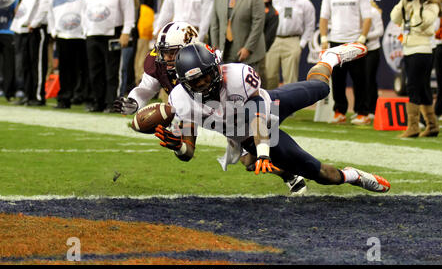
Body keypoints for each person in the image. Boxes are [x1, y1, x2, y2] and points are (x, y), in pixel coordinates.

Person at [154, 42, 390, 194]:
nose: (204, 84)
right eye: (196, 82)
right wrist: (178, 147)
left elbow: (257, 114)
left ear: (216, 67)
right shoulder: (181, 101)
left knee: (321, 89)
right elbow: (188, 153)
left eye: (206, 76)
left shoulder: (237, 75)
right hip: (247, 136)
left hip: (270, 106)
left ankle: (328, 58)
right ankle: (352, 176)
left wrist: (264, 152)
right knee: (321, 174)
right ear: (184, 83)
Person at [390, 0, 442, 137]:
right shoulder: (408, 3)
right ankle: (432, 126)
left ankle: (413, 126)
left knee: (412, 86)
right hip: (409, 49)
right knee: (424, 87)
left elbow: (419, 24)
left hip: (422, 50)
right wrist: (403, 1)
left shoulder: (431, 6)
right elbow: (395, 18)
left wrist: (417, 3)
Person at [113, 21, 200, 115]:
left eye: (172, 52)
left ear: (189, 50)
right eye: (164, 52)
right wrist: (134, 102)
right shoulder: (157, 62)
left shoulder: (205, 64)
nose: (166, 58)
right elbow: (146, 88)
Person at [319, 0, 372, 125]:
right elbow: (323, 18)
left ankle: (362, 113)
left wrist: (362, 37)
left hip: (355, 42)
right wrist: (324, 38)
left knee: (360, 79)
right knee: (337, 80)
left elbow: (367, 17)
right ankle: (339, 112)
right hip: (336, 42)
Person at [83, 0, 136, 113]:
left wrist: (126, 32)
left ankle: (114, 103)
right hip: (93, 33)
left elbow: (129, 10)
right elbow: (84, 10)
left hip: (113, 33)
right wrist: (85, 30)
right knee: (95, 70)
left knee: (113, 70)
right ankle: (98, 102)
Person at [265, 0, 315, 89]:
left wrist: (300, 45)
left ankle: (288, 106)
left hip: (293, 41)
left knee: (290, 79)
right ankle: (272, 106)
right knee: (269, 76)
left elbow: (310, 27)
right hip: (273, 40)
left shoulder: (305, 3)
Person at [10, 0, 53, 106]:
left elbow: (44, 7)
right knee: (26, 63)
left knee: (37, 64)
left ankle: (39, 96)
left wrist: (34, 23)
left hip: (37, 28)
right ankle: (28, 94)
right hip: (25, 28)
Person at [209, 0, 266, 73]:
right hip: (225, 51)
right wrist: (215, 47)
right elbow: (214, 23)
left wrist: (248, 48)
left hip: (248, 54)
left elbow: (258, 25)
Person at [47, 0, 88, 109]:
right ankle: (64, 98)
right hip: (62, 36)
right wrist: (53, 31)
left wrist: (86, 29)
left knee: (83, 68)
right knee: (64, 69)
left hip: (80, 35)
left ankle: (82, 95)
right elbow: (50, 14)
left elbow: (88, 8)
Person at [358, 0, 384, 119]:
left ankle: (372, 109)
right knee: (360, 80)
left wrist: (364, 36)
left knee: (369, 79)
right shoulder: (355, 11)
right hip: (358, 50)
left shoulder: (374, 12)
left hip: (371, 50)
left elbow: (380, 31)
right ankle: (361, 109)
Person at [0, 0, 19, 101]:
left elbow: (17, 11)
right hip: (6, 32)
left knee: (9, 64)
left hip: (8, 31)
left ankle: (8, 91)